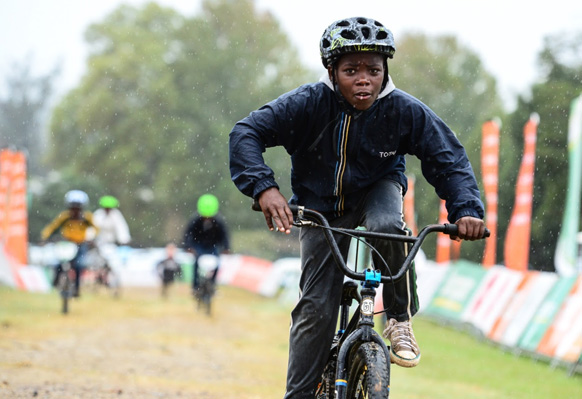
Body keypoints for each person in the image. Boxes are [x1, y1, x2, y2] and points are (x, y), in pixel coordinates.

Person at [229, 16, 488, 399]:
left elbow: (447, 158)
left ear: (386, 72)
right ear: (331, 71)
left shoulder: (403, 111)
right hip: (319, 209)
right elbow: (246, 132)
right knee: (315, 307)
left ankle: (398, 318)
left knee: (387, 223)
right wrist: (265, 189)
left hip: (376, 190)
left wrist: (466, 209)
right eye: (351, 70)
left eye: (374, 70)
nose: (364, 80)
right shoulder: (307, 104)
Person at [41, 190, 98, 297]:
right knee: (58, 263)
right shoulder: (64, 217)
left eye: (78, 207)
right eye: (73, 207)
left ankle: (76, 289)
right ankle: (56, 282)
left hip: (81, 244)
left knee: (79, 265)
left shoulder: (87, 218)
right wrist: (45, 237)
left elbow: (96, 229)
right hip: (66, 244)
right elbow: (52, 227)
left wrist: (92, 238)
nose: (75, 210)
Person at [182, 194, 231, 291]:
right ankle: (195, 286)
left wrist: (226, 248)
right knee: (196, 262)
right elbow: (188, 235)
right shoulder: (195, 220)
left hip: (212, 245)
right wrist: (188, 247)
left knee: (217, 263)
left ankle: (212, 284)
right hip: (198, 245)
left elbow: (224, 235)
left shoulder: (219, 221)